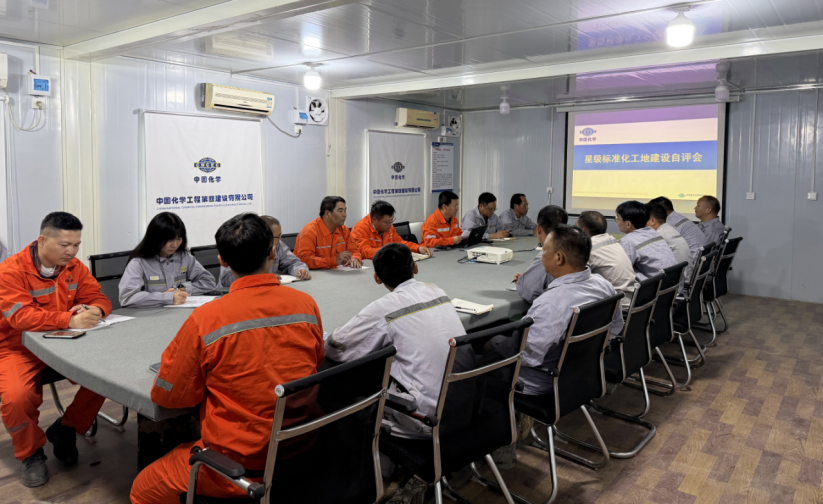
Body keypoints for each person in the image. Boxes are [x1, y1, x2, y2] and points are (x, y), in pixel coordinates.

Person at [130, 213, 324, 504]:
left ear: (222, 260)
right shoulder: (306, 305)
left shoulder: (207, 320)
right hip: (302, 446)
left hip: (239, 467)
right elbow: (316, 362)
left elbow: (169, 396)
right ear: (273, 253)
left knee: (141, 491)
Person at [324, 242, 465, 501]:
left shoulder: (383, 309)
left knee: (347, 398)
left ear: (377, 278)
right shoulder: (437, 290)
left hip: (426, 419)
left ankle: (388, 472)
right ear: (415, 268)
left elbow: (337, 349)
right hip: (463, 401)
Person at [0, 212, 111, 488]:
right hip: (18, 346)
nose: (71, 251)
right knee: (16, 397)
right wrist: (69, 319)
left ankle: (67, 429)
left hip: (65, 340)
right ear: (42, 240)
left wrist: (95, 310)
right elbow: (20, 318)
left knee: (107, 376)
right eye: (64, 245)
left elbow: (98, 296)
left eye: (76, 245)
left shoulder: (74, 267)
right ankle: (31, 453)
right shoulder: (10, 271)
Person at [516, 225, 624, 395]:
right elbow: (616, 328)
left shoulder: (551, 303)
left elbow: (527, 356)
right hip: (582, 373)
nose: (542, 256)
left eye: (544, 250)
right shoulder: (604, 285)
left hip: (537, 382)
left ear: (558, 258)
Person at [119, 212, 217, 308]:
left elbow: (209, 282)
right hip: (151, 315)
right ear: (155, 238)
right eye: (170, 240)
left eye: (179, 239)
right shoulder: (138, 263)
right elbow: (127, 298)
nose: (175, 245)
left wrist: (183, 289)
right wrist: (166, 298)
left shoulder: (184, 257)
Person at [219, 215, 310, 286]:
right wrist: (263, 278)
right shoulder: (239, 245)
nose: (280, 239)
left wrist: (300, 270)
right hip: (231, 292)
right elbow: (226, 279)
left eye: (280, 235)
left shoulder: (278, 245)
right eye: (277, 236)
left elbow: (292, 262)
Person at [575, 211, 636, 306]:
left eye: (576, 228)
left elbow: (576, 279)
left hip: (617, 306)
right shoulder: (612, 240)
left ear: (584, 230)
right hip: (631, 300)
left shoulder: (588, 248)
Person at [512, 205, 568, 303]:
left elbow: (527, 292)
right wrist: (532, 276)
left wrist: (523, 282)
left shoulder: (547, 255)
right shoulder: (573, 248)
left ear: (539, 228)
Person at [294, 196, 362, 269]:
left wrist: (355, 258)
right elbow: (304, 259)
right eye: (340, 211)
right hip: (313, 274)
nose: (344, 214)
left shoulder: (344, 230)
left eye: (345, 211)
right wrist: (333, 260)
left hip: (337, 272)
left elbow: (354, 250)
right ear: (327, 213)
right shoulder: (309, 231)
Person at [615, 201, 677, 280]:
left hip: (657, 285)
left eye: (618, 219)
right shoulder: (653, 232)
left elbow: (620, 270)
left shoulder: (627, 241)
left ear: (628, 224)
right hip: (673, 282)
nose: (617, 222)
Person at [350, 200, 431, 260]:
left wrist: (418, 248)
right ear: (375, 220)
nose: (390, 225)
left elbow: (400, 243)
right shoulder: (360, 228)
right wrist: (388, 252)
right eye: (387, 222)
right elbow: (363, 252)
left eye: (392, 221)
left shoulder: (389, 227)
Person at [647, 204, 694, 280]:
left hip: (677, 282)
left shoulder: (658, 235)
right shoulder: (669, 229)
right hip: (685, 277)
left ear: (652, 221)